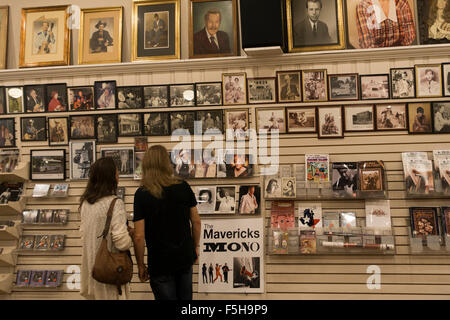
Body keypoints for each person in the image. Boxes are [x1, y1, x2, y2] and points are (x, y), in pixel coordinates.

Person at [132, 145, 201, 300]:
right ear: (166, 163)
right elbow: (196, 222)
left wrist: (141, 264)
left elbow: (138, 236)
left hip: (159, 261)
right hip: (183, 257)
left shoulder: (141, 194)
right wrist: (195, 246)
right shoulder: (183, 187)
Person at [79, 157, 133, 300]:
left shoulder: (85, 204)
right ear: (111, 176)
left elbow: (84, 234)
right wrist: (131, 236)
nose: (118, 175)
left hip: (93, 270)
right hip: (110, 274)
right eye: (116, 172)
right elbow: (122, 242)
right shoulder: (116, 203)